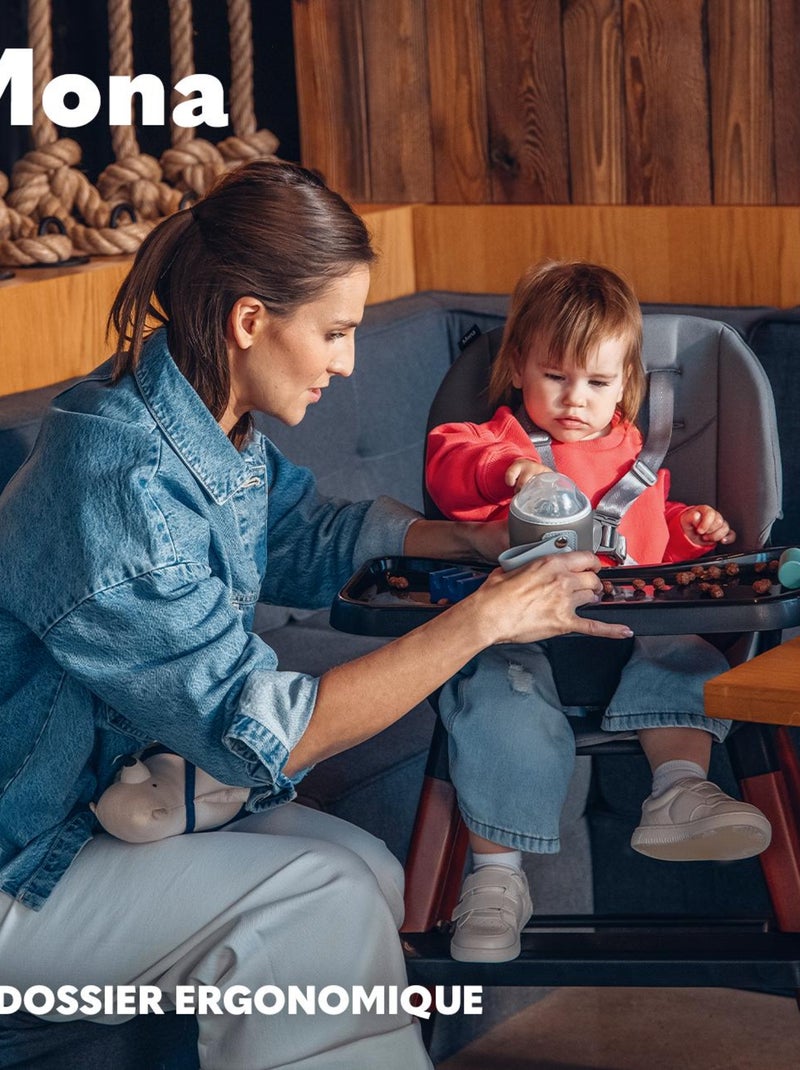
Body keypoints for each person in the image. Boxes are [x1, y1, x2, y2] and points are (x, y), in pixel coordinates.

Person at [0, 167, 633, 1070]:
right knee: (316, 899)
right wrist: (485, 621)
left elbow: (300, 530)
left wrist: (472, 540)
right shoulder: (120, 487)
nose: (347, 362)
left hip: (93, 817)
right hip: (24, 865)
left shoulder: (197, 416)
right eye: (334, 332)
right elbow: (259, 736)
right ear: (250, 321)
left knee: (368, 873)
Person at [426, 260, 773, 965]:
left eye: (598, 381)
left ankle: (678, 790)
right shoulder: (498, 443)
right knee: (495, 698)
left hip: (633, 633)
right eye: (556, 376)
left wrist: (690, 526)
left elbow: (650, 536)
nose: (575, 399)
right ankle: (497, 879)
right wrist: (510, 473)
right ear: (519, 365)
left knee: (691, 661)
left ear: (628, 382)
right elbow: (450, 466)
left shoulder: (637, 454)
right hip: (524, 639)